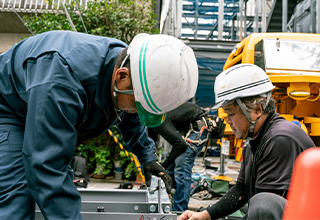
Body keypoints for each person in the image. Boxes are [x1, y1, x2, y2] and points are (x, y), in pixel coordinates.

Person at [0, 30, 199, 219]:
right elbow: (46, 166)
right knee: (19, 190)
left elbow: (130, 116)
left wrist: (146, 156)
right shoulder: (63, 80)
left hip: (39, 101)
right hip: (7, 108)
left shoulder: (131, 67)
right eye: (138, 108)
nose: (135, 114)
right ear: (121, 76)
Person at [178, 64, 315, 220]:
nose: (227, 120)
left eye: (230, 113)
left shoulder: (280, 139)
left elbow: (263, 211)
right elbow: (241, 191)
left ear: (256, 110)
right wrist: (205, 215)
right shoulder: (254, 140)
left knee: (262, 202)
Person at [150, 102, 225, 212]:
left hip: (198, 125)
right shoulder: (150, 122)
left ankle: (179, 209)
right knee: (170, 167)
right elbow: (150, 146)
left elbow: (180, 145)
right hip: (186, 126)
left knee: (182, 165)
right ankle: (166, 200)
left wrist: (163, 165)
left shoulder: (157, 120)